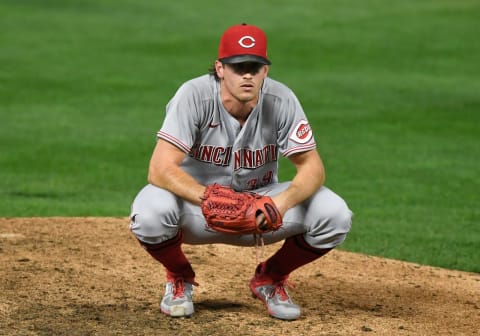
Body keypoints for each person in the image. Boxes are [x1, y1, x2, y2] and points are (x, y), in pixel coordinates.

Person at [130, 23, 353, 320]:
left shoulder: (282, 100)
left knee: (334, 214)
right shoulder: (194, 96)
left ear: (265, 71)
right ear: (220, 69)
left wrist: (279, 204)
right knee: (150, 213)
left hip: (260, 213)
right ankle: (180, 276)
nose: (247, 74)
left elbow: (312, 167)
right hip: (199, 210)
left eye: (255, 66)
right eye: (238, 67)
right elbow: (159, 169)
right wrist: (207, 197)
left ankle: (270, 278)